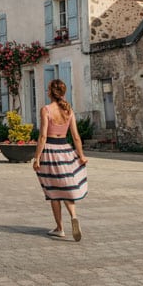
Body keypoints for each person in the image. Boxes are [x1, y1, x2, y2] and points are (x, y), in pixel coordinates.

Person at [32, 78, 88, 241]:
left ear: (50, 92)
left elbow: (42, 136)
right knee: (66, 188)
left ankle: (60, 228)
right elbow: (76, 137)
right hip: (65, 151)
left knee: (54, 192)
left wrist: (37, 157)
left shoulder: (46, 110)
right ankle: (74, 216)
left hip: (50, 151)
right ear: (63, 92)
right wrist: (82, 156)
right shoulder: (69, 111)